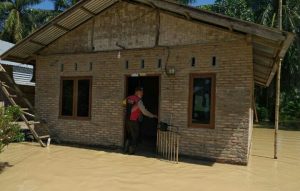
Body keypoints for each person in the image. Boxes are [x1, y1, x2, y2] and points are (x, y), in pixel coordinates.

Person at [123, 87, 157, 154]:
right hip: (134, 121)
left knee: (129, 134)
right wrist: (153, 115)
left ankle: (126, 148)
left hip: (127, 120)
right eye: (141, 92)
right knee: (135, 136)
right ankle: (131, 151)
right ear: (137, 92)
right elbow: (144, 112)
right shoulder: (139, 100)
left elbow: (123, 106)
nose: (142, 94)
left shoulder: (127, 98)